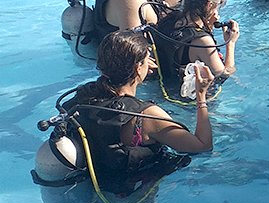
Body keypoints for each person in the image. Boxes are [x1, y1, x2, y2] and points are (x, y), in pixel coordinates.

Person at [59, 30, 214, 194]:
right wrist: (201, 96)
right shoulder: (147, 116)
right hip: (136, 193)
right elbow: (203, 146)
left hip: (95, 186)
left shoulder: (82, 97)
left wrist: (142, 65)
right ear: (138, 67)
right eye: (148, 60)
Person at [154, 0, 239, 82]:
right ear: (209, 4)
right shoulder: (202, 41)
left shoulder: (168, 19)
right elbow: (224, 74)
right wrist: (230, 43)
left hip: (165, 83)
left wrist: (208, 28)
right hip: (189, 96)